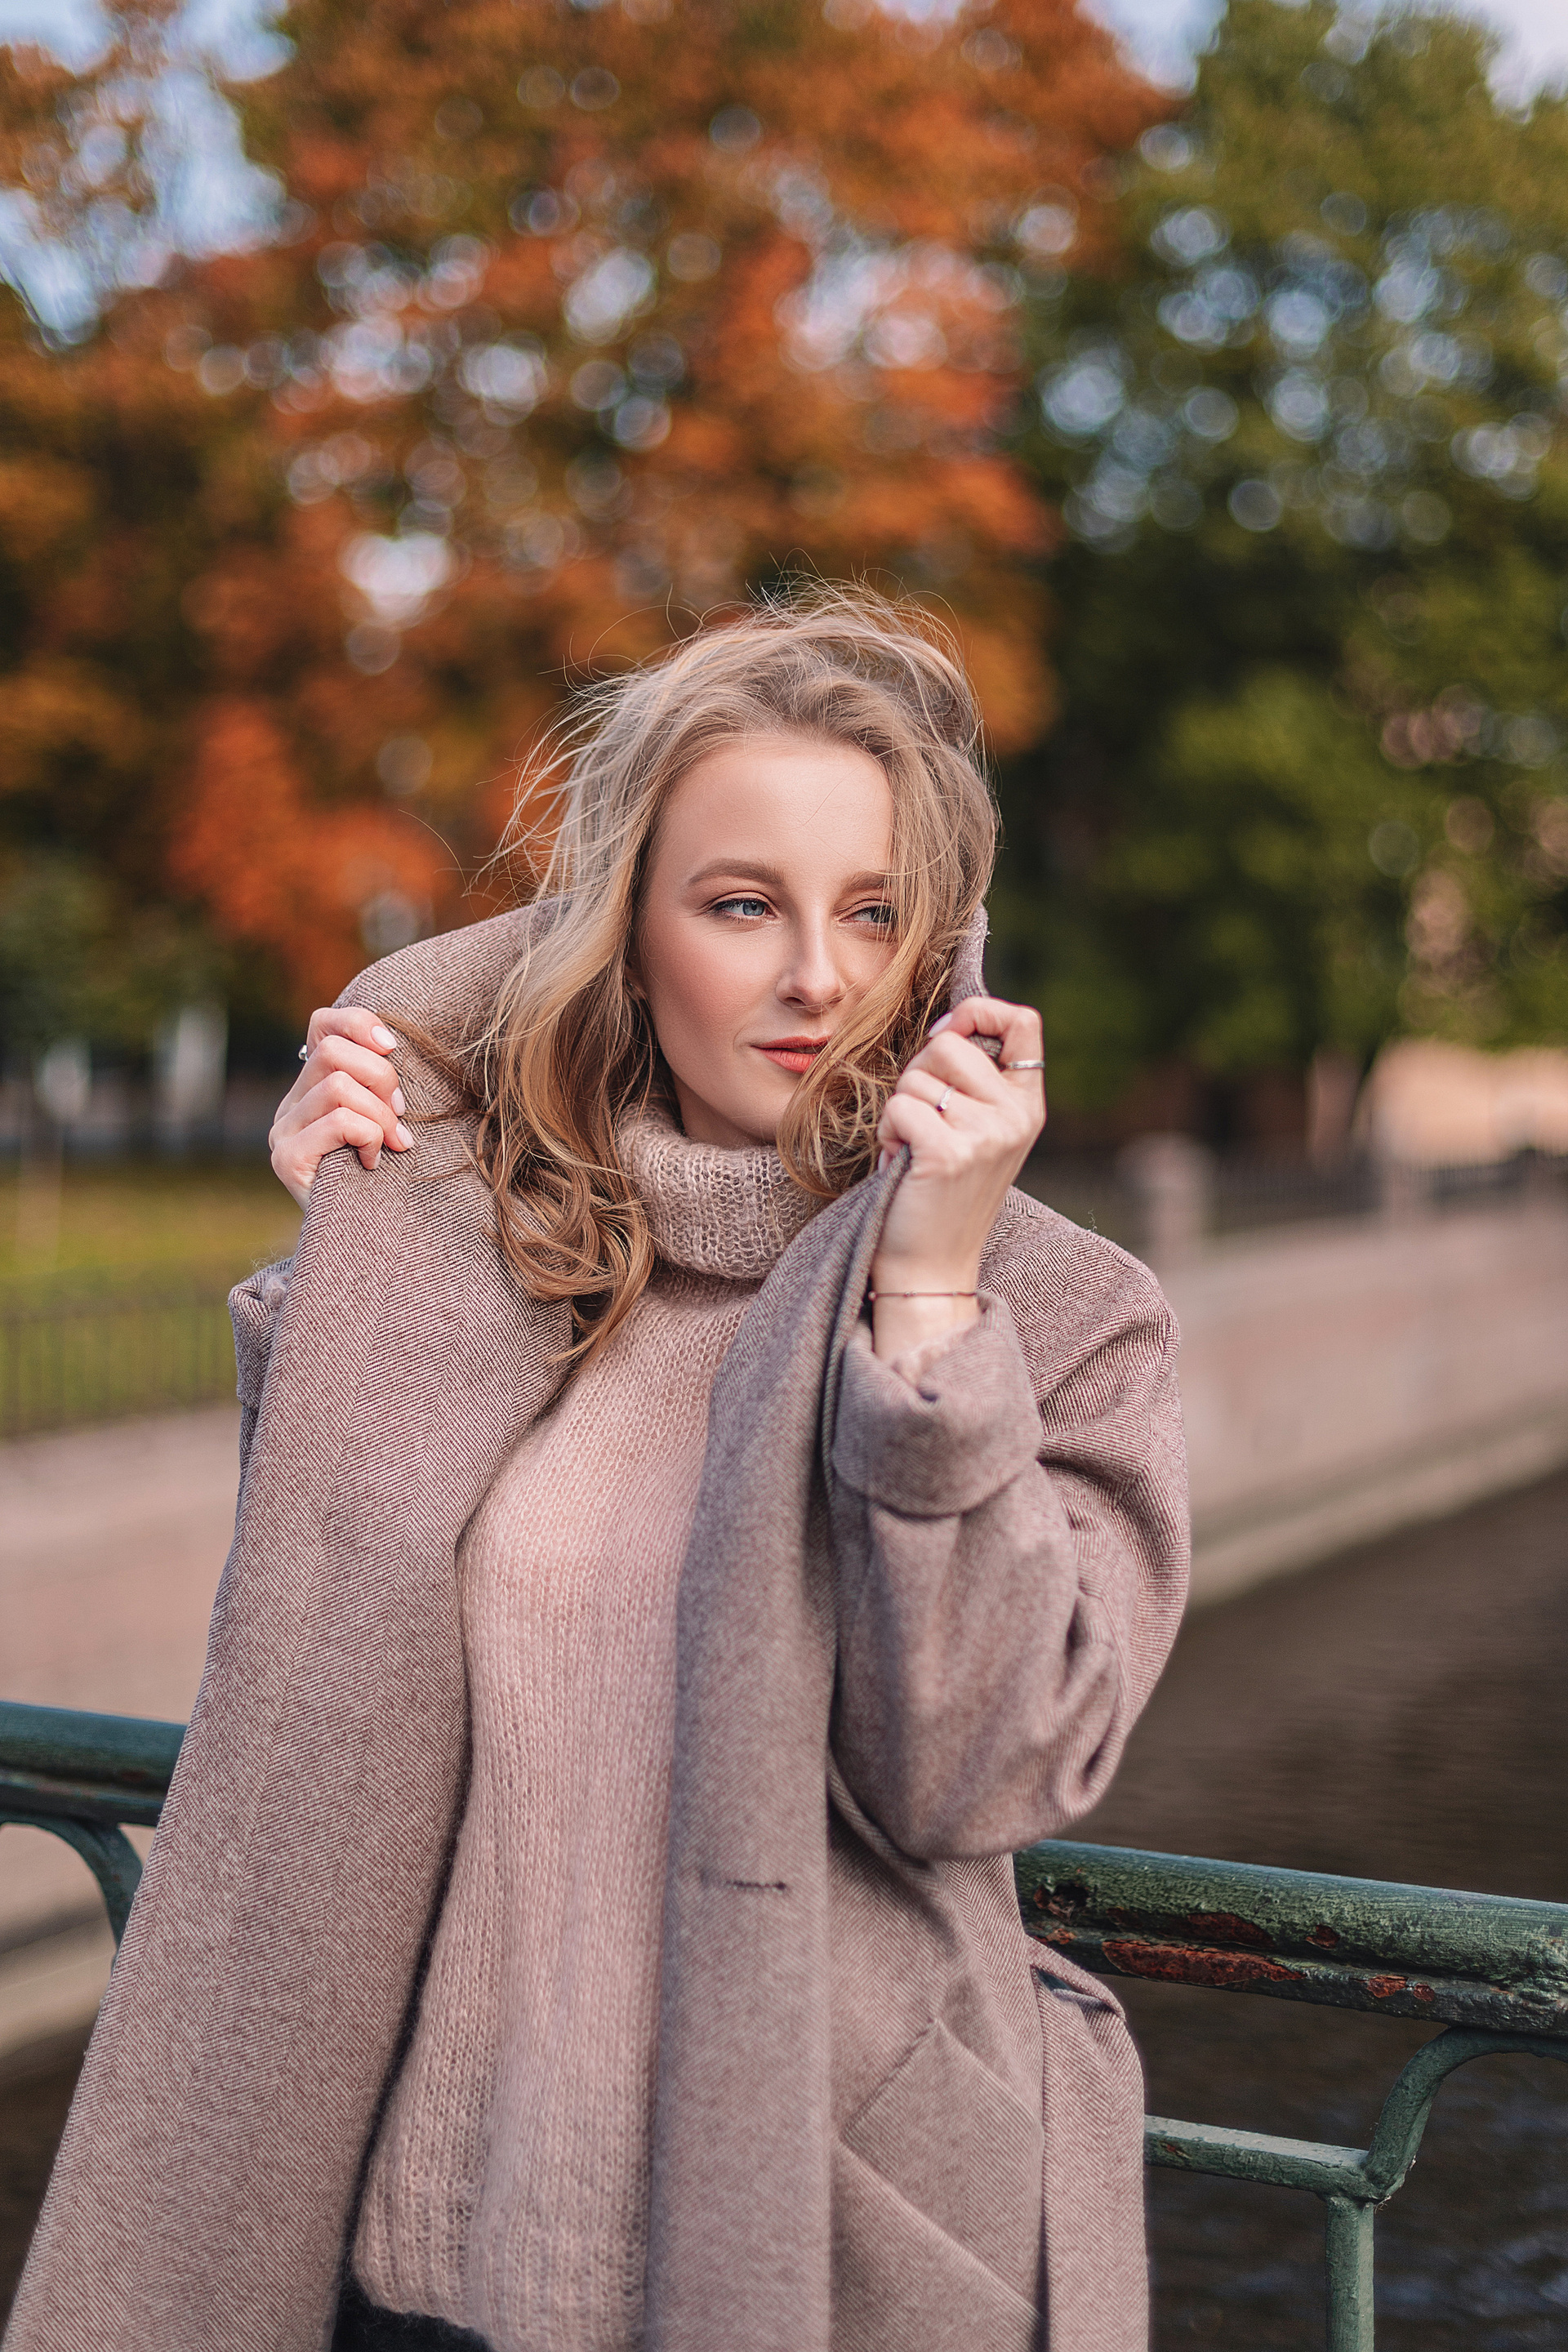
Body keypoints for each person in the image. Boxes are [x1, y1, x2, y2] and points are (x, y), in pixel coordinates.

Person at [5, 589, 1187, 2352]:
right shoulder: (509, 1256)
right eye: (742, 905)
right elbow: (323, 1683)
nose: (817, 975)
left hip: (806, 2262)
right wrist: (352, 1270)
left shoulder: (1060, 1309)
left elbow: (986, 1764)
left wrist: (932, 1306)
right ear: (630, 935)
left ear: (942, 948)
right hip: (429, 2267)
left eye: (874, 912)